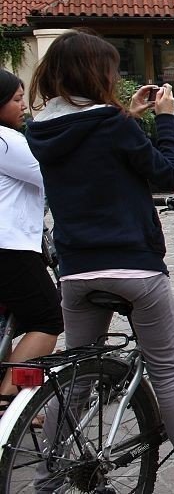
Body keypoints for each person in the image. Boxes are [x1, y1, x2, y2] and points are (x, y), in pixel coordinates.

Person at [26, 30, 174, 493]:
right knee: (167, 373)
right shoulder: (112, 124)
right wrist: (165, 120)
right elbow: (165, 175)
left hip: (76, 271)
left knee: (75, 378)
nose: (115, 78)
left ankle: (47, 479)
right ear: (94, 73)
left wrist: (128, 115)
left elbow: (90, 143)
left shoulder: (41, 128)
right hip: (134, 267)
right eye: (110, 70)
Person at [0, 69, 63, 411]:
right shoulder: (7, 141)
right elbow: (51, 173)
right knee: (47, 319)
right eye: (16, 100)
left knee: (15, 322)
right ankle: (10, 403)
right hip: (10, 247)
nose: (23, 106)